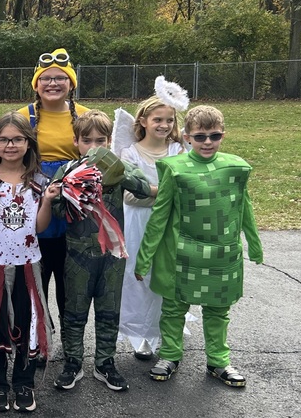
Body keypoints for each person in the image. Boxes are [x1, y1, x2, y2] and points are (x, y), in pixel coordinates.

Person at [134, 105, 264, 387]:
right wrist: (144, 258)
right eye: (200, 136)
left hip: (222, 254)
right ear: (187, 137)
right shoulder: (175, 168)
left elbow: (245, 208)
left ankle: (219, 361)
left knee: (218, 310)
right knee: (173, 309)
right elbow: (160, 215)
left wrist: (254, 245)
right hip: (180, 255)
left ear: (223, 136)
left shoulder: (235, 168)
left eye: (214, 136)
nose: (207, 142)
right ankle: (169, 355)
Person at [52, 110, 152, 393]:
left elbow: (143, 189)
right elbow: (57, 210)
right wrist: (70, 192)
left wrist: (119, 173)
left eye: (100, 140)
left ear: (109, 141)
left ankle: (105, 362)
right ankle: (73, 362)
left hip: (112, 256)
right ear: (76, 142)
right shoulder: (67, 170)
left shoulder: (118, 168)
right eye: (87, 140)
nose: (94, 147)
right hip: (77, 256)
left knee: (109, 311)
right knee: (74, 312)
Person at [0, 112, 57, 413]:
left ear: (29, 143)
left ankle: (24, 382)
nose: (11, 145)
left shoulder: (40, 181)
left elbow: (40, 228)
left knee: (27, 323)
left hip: (29, 265)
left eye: (17, 139)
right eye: (4, 139)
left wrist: (46, 202)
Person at [18, 49, 91, 343]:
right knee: (36, 272)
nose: (53, 83)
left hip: (72, 202)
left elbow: (98, 154)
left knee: (68, 275)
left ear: (71, 83)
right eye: (45, 78)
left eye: (60, 78)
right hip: (35, 198)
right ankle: (38, 334)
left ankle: (70, 339)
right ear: (36, 84)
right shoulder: (24, 116)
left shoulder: (84, 115)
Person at [117, 93, 186, 361]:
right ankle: (140, 335)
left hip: (169, 222)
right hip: (137, 222)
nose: (164, 125)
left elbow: (186, 186)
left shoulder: (177, 151)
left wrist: (152, 191)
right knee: (138, 276)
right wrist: (166, 191)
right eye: (158, 119)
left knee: (166, 274)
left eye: (169, 120)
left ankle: (165, 333)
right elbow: (129, 195)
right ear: (143, 121)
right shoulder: (129, 153)